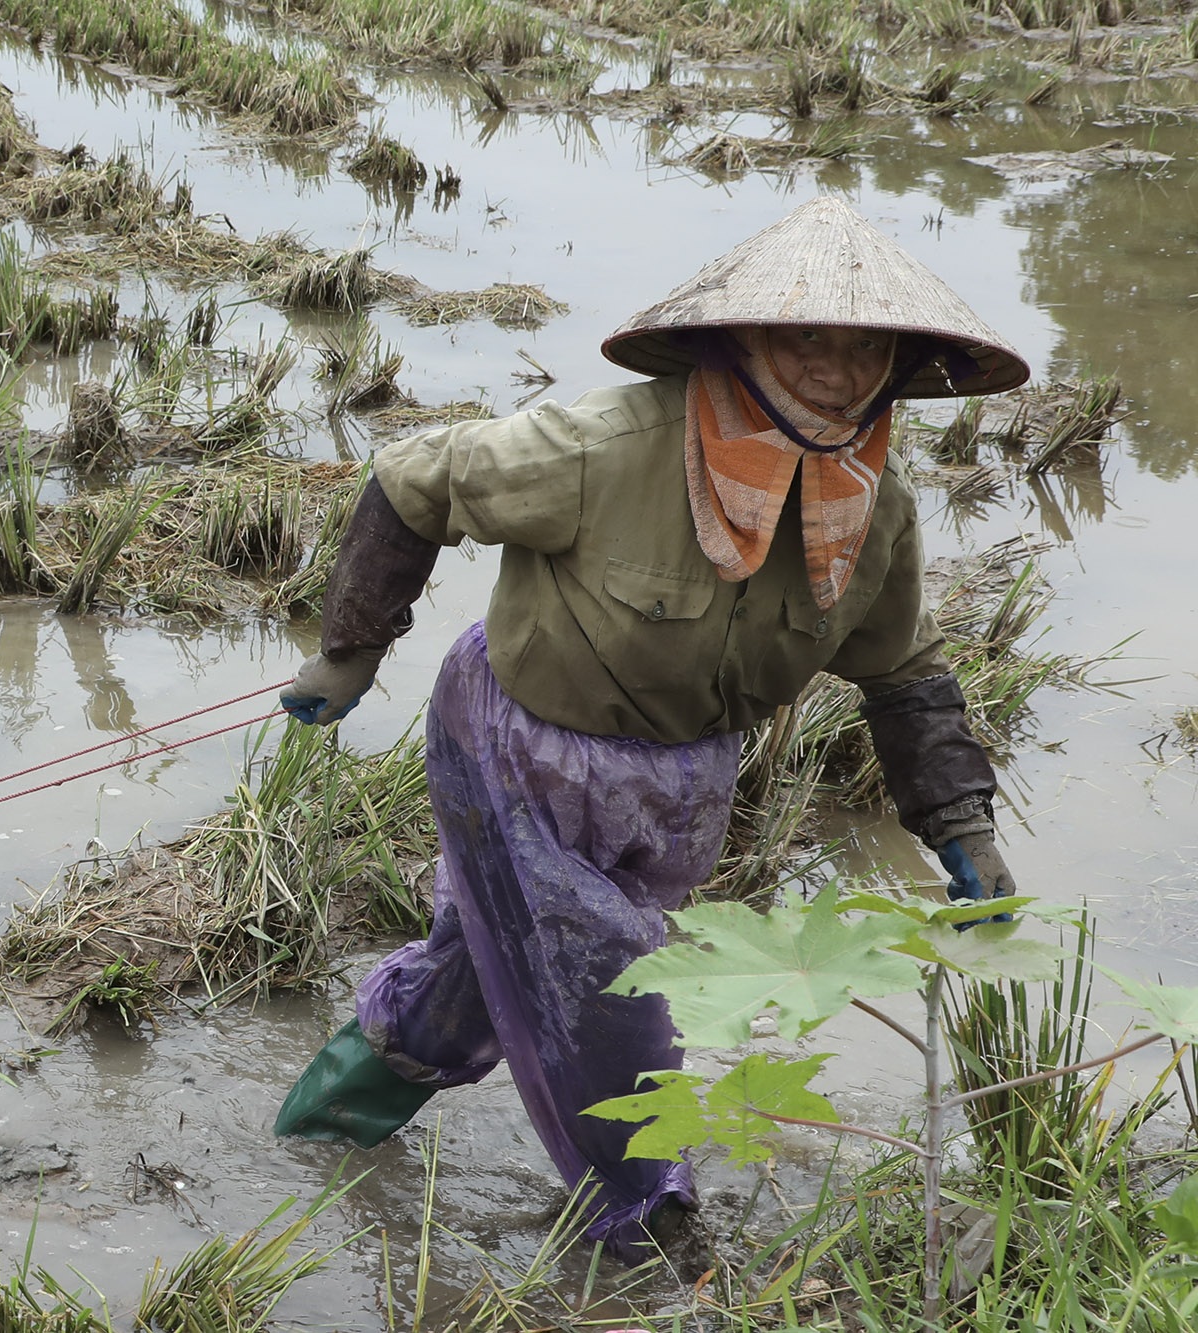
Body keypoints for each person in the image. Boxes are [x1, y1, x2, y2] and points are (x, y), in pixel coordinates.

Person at [271, 197, 1031, 1258]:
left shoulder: (875, 512)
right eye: (802, 335)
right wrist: (349, 654)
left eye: (862, 345)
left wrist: (962, 827)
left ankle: (320, 1126)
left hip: (679, 780)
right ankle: (646, 1224)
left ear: (896, 364)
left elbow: (898, 670)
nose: (831, 368)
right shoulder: (601, 446)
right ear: (737, 340)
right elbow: (413, 484)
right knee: (610, 974)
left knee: (480, 965)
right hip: (515, 742)